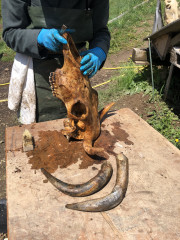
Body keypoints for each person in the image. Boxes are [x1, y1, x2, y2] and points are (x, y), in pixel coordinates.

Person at [2, 0, 110, 123]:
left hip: (78, 70)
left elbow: (100, 31)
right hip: (38, 70)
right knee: (43, 130)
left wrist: (99, 51)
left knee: (82, 121)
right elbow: (10, 32)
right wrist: (38, 38)